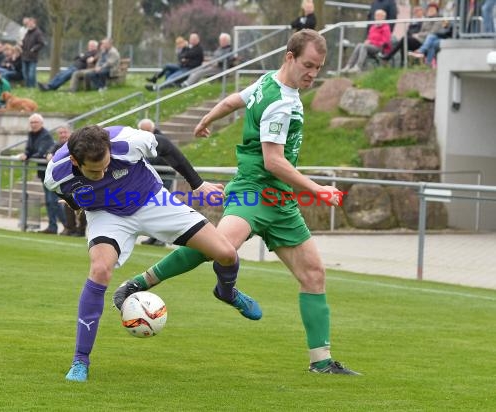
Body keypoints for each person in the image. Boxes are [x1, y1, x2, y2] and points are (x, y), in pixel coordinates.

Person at [114, 29, 360, 376]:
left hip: (280, 201)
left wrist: (206, 120)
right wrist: (318, 189)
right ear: (289, 57)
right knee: (218, 245)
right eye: (308, 65)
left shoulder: (266, 83)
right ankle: (138, 284)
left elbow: (234, 101)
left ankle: (321, 362)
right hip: (254, 191)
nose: (312, 73)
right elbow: (273, 161)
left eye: (318, 68)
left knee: (314, 274)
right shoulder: (280, 101)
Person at [44, 125, 261, 382]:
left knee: (226, 252)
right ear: (74, 161)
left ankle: (226, 292)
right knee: (100, 270)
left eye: (106, 165)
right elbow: (67, 194)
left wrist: (197, 184)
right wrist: (77, 204)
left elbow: (166, 147)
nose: (102, 173)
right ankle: (80, 361)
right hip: (107, 214)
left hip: (152, 201)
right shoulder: (54, 175)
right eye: (94, 171)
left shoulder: (127, 142)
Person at [19, 114, 66, 234]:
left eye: (36, 122)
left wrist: (28, 156)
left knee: (53, 201)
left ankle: (67, 225)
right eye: (32, 122)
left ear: (41, 123)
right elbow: (29, 149)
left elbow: (41, 152)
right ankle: (54, 227)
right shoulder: (31, 135)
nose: (33, 125)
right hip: (42, 173)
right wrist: (26, 154)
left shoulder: (45, 136)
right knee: (50, 200)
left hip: (51, 173)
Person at [137, 118, 176, 246]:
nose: (145, 132)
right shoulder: (145, 139)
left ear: (152, 129)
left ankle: (162, 239)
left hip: (165, 176)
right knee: (153, 208)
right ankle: (154, 237)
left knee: (162, 208)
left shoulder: (159, 140)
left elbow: (159, 159)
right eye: (143, 130)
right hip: (155, 177)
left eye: (147, 130)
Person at [46, 125, 85, 236]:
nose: (63, 135)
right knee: (68, 203)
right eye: (60, 133)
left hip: (81, 178)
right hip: (68, 182)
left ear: (71, 133)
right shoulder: (58, 145)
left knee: (84, 203)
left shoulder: (78, 144)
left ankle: (81, 230)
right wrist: (49, 154)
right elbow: (50, 152)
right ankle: (70, 228)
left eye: (65, 132)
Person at [342, 9, 391, 73]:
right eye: (376, 16)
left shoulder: (386, 28)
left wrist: (371, 42)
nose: (376, 17)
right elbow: (370, 38)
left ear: (383, 17)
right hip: (370, 46)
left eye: (378, 16)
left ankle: (358, 67)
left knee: (364, 46)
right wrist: (368, 41)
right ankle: (348, 66)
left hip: (379, 48)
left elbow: (385, 42)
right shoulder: (373, 26)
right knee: (360, 45)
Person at [21, 17, 45, 88]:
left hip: (32, 57)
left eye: (31, 23)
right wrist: (21, 44)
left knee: (31, 74)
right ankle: (27, 86)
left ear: (35, 24)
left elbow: (41, 43)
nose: (30, 25)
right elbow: (24, 42)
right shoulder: (27, 33)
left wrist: (34, 49)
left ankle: (32, 87)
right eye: (28, 24)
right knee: (25, 73)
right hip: (24, 56)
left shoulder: (38, 33)